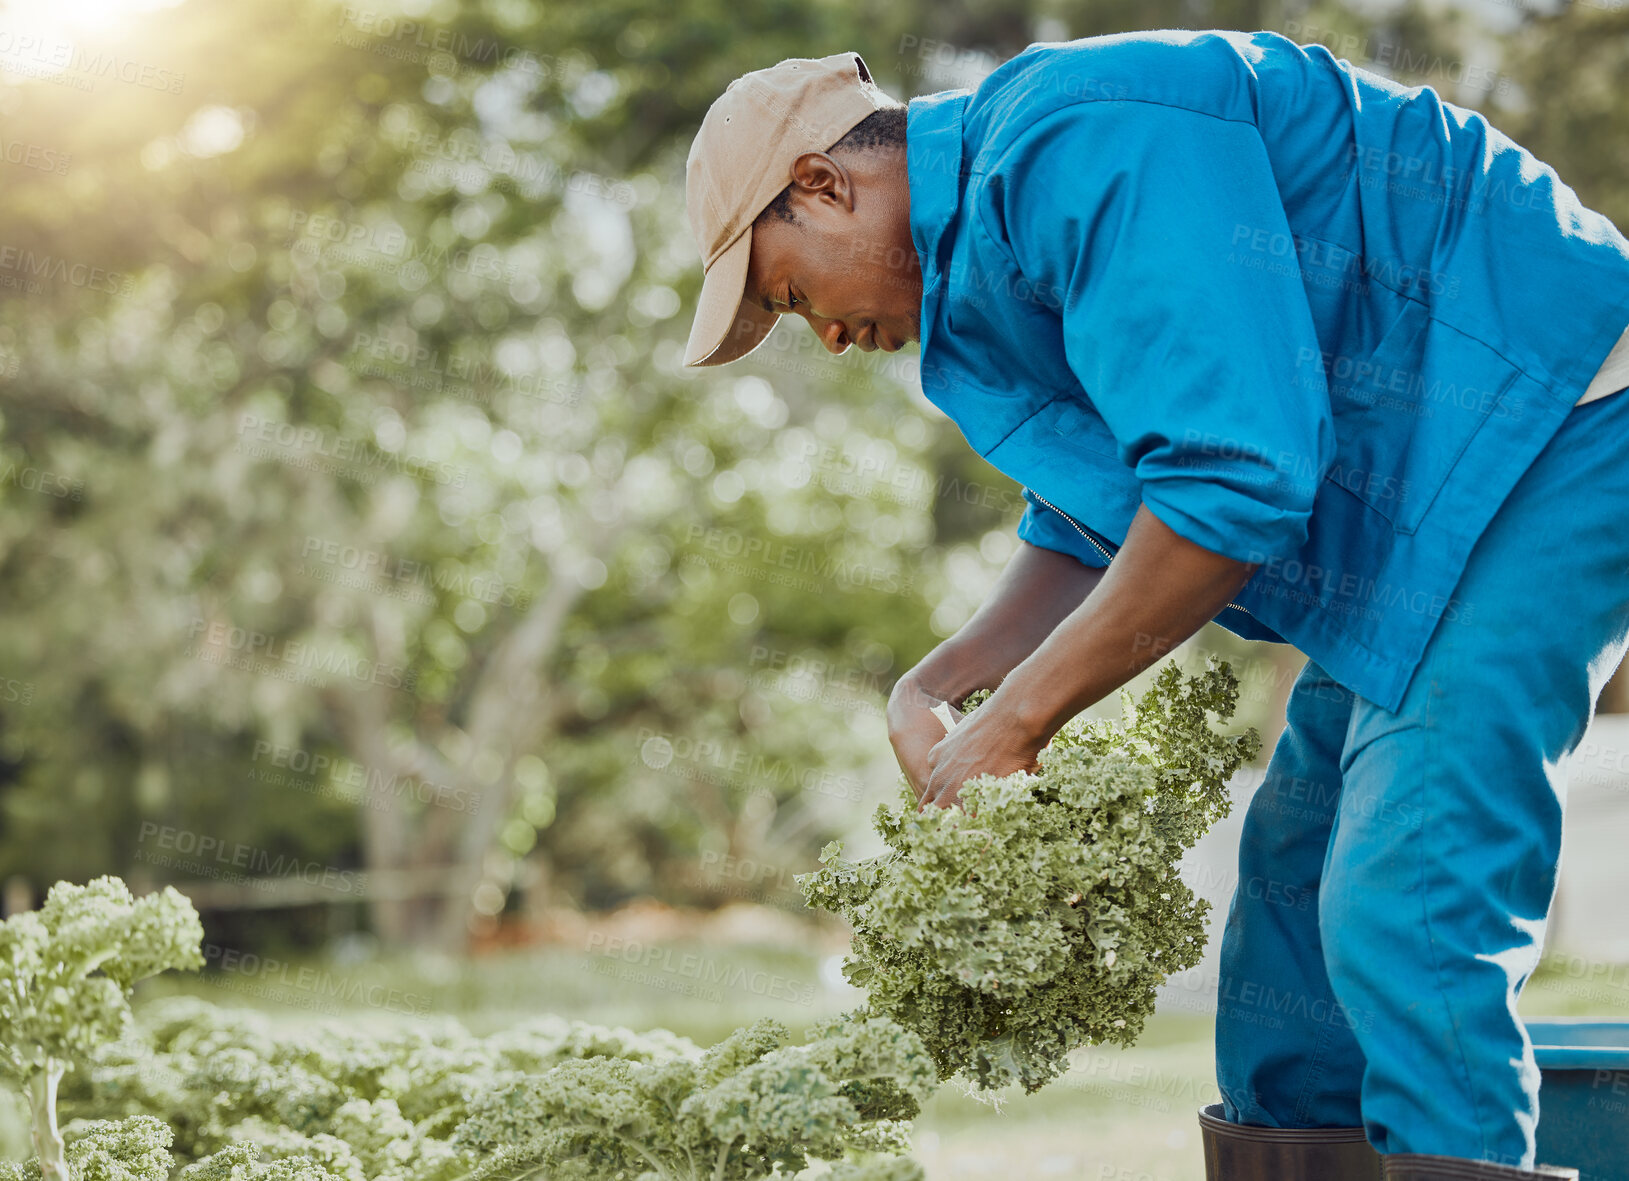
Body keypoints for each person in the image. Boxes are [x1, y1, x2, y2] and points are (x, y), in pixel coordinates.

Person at [678, 30, 1629, 1181]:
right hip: (1429, 495)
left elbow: (1230, 485)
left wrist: (1019, 718)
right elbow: (1102, 516)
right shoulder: (985, 253)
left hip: (1553, 408)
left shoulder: (1075, 143)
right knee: (1288, 891)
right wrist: (941, 681)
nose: (827, 334)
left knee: (1404, 893)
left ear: (825, 184)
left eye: (791, 293)